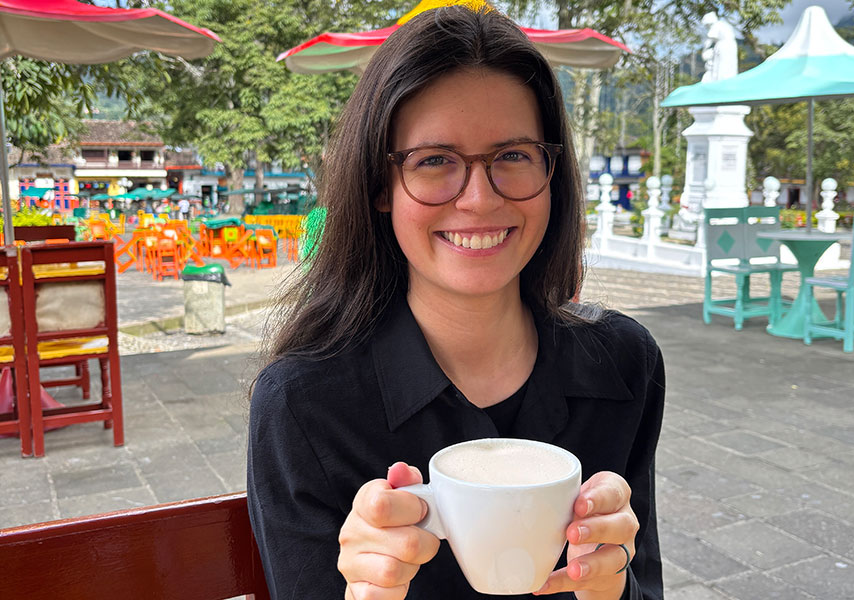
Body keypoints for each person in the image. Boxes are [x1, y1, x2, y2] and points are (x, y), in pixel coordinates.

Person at [247, 6, 665, 600]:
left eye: (513, 155)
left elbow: (643, 582)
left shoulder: (624, 363)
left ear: (554, 174)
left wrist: (611, 590)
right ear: (379, 189)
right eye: (435, 160)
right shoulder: (305, 404)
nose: (478, 198)